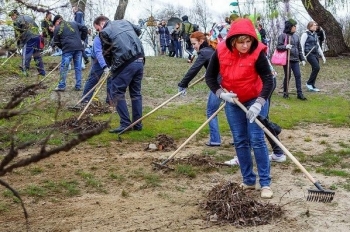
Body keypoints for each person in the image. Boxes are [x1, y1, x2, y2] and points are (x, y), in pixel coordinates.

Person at [205, 18, 274, 199]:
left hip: (255, 98)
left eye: (248, 41)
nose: (245, 46)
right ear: (233, 41)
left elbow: (268, 80)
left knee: (257, 139)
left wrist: (259, 103)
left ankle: (265, 183)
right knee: (240, 140)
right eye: (241, 42)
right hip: (233, 101)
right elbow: (210, 78)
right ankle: (249, 180)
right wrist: (221, 94)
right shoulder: (220, 51)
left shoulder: (258, 53)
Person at [93, 16, 145, 133]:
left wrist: (110, 67)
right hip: (139, 58)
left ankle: (125, 124)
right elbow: (138, 30)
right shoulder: (125, 22)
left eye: (97, 29)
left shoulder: (104, 32)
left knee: (116, 92)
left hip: (125, 61)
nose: (98, 32)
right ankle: (137, 124)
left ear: (101, 23)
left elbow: (106, 53)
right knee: (135, 93)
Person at [178, 31, 222, 146]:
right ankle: (238, 139)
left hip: (219, 84)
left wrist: (183, 84)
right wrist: (209, 73)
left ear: (201, 41)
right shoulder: (211, 49)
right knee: (232, 111)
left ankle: (215, 140)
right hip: (226, 82)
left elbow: (194, 69)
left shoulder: (204, 52)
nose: (193, 47)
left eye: (194, 44)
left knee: (211, 111)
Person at [52, 15, 87, 91]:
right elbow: (84, 28)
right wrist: (82, 39)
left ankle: (61, 86)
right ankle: (78, 85)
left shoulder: (57, 28)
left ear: (57, 21)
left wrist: (63, 47)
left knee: (64, 68)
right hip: (78, 48)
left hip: (67, 49)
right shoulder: (74, 23)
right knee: (78, 67)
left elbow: (56, 41)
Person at [9, 9, 46, 77]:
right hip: (37, 37)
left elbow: (17, 34)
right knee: (37, 55)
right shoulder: (28, 17)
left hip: (29, 38)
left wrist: (18, 44)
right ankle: (42, 72)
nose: (11, 18)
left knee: (26, 55)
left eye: (11, 16)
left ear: (15, 15)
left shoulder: (16, 21)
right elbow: (37, 27)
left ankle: (24, 72)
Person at [276, 19, 307, 100]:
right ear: (290, 27)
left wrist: (302, 59)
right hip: (287, 59)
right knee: (288, 75)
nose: (295, 27)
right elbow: (278, 47)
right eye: (294, 26)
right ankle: (285, 92)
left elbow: (299, 49)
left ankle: (299, 94)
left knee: (298, 75)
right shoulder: (283, 36)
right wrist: (285, 47)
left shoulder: (296, 36)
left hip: (295, 59)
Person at [79, 33, 110, 106]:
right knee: (93, 79)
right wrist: (105, 67)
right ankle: (85, 99)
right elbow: (98, 53)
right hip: (97, 59)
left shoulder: (113, 34)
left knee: (111, 79)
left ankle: (110, 100)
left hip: (109, 59)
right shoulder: (98, 38)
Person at [301, 21, 326, 92]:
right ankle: (309, 83)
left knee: (315, 69)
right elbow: (301, 46)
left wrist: (322, 56)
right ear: (310, 26)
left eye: (316, 25)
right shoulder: (305, 34)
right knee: (316, 67)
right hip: (309, 54)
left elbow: (317, 46)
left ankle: (312, 85)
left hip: (315, 54)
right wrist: (303, 56)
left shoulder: (315, 34)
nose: (316, 26)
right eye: (314, 25)